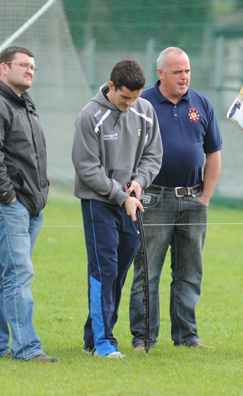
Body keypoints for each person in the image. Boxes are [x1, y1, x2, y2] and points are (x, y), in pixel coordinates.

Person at [129, 47, 223, 351]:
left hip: (193, 200)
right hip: (153, 199)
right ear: (160, 74)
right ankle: (144, 338)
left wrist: (205, 197)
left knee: (189, 273)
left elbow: (213, 153)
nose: (184, 77)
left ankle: (187, 337)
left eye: (187, 71)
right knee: (148, 273)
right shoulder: (142, 103)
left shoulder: (201, 103)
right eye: (177, 72)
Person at [0, 46, 58, 362]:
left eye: (33, 66)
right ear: (3, 69)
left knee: (4, 275)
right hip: (7, 204)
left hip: (29, 207)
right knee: (19, 274)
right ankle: (28, 349)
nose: (30, 70)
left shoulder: (25, 107)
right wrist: (9, 197)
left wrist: (36, 199)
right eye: (23, 65)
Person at [72, 60, 162, 358]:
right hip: (99, 203)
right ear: (111, 87)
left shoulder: (145, 110)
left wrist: (139, 182)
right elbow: (87, 168)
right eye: (125, 97)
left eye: (135, 98)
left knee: (119, 273)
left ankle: (92, 337)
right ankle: (103, 343)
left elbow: (153, 155)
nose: (130, 103)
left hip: (131, 203)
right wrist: (119, 195)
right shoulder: (89, 116)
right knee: (104, 271)